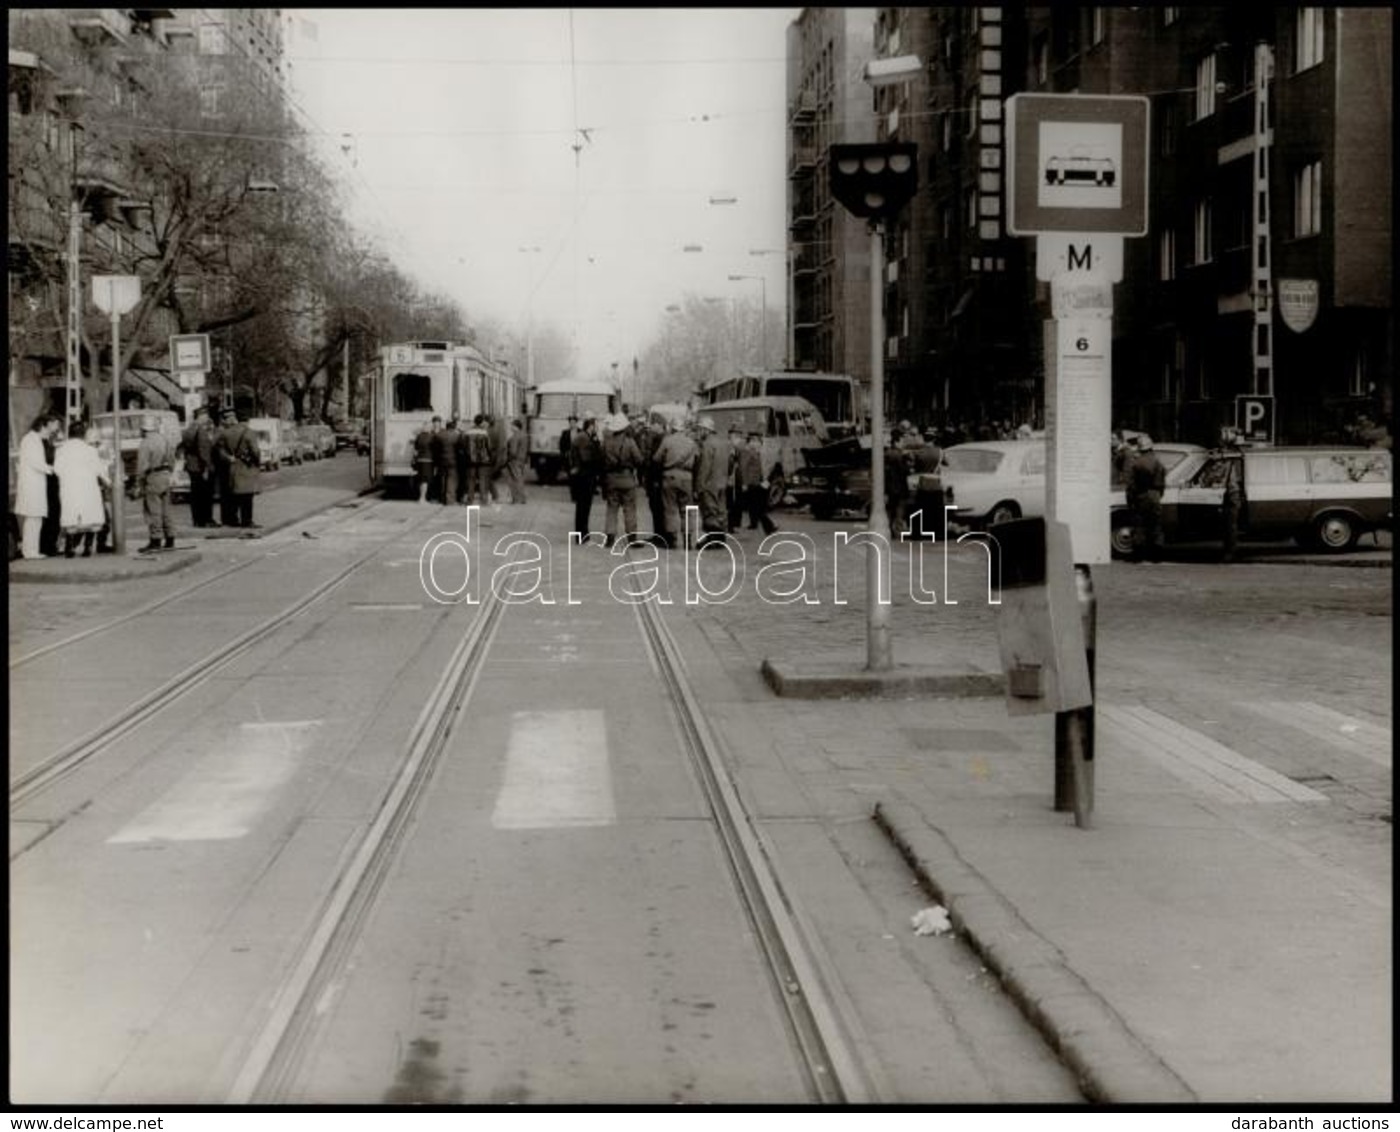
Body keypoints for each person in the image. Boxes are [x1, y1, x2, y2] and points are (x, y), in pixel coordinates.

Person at [54, 420, 110, 558]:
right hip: (88, 487)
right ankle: (87, 548)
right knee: (91, 517)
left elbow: (57, 469)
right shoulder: (90, 450)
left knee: (71, 516)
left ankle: (69, 548)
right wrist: (110, 482)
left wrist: (67, 477)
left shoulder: (61, 450)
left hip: (69, 487)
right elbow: (99, 470)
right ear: (83, 434)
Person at [16, 413, 59, 559]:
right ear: (43, 425)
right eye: (49, 428)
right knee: (33, 519)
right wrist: (52, 469)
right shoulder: (30, 440)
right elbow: (36, 462)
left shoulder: (34, 439)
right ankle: (30, 551)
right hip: (32, 485)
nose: (50, 432)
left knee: (35, 519)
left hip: (35, 484)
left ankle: (31, 551)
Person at [652, 416, 697, 549]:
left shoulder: (667, 441)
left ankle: (672, 540)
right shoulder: (692, 442)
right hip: (687, 477)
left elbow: (656, 458)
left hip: (669, 476)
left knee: (670, 509)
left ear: (673, 428)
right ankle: (688, 541)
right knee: (687, 510)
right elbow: (697, 460)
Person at [600, 414, 642, 547]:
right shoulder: (630, 442)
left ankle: (610, 537)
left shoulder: (606, 442)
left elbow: (602, 459)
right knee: (629, 509)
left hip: (611, 479)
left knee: (612, 508)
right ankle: (632, 538)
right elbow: (639, 460)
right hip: (627, 479)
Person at [135, 416, 177, 552]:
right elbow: (172, 460)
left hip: (153, 476)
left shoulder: (145, 443)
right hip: (165, 475)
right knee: (166, 509)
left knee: (153, 510)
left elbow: (142, 466)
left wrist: (139, 481)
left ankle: (155, 539)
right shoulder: (164, 439)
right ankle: (170, 538)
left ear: (144, 429)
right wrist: (169, 472)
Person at [215, 409, 261, 529]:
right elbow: (255, 451)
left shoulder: (226, 433)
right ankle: (247, 521)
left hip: (233, 465)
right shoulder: (249, 432)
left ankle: (233, 519)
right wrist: (257, 462)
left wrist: (229, 458)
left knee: (234, 494)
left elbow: (220, 450)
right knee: (247, 496)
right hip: (246, 466)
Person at [1126, 436, 1166, 562]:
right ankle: (1157, 556)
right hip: (1155, 495)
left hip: (1140, 495)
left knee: (1139, 526)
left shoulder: (1136, 463)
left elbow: (1131, 485)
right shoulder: (1158, 463)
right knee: (1156, 526)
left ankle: (1138, 556)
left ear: (1140, 448)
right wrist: (1158, 495)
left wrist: (1130, 500)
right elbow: (1162, 484)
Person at [693, 416, 731, 546]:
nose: (699, 432)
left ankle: (712, 540)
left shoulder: (707, 444)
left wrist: (699, 486)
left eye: (700, 429)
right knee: (721, 511)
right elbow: (730, 463)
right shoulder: (723, 443)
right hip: (722, 482)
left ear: (705, 430)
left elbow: (705, 467)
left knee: (710, 511)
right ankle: (721, 539)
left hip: (710, 483)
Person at [179, 405, 220, 528]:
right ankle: (207, 519)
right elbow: (204, 450)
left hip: (192, 466)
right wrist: (208, 466)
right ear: (201, 416)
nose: (207, 418)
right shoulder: (200, 429)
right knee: (206, 495)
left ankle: (197, 520)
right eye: (206, 415)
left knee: (195, 495)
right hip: (201, 466)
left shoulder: (189, 429)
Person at [568, 413, 602, 539]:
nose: (596, 428)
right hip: (584, 476)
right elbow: (586, 458)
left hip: (584, 475)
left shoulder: (584, 436)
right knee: (583, 506)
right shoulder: (584, 438)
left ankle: (583, 532)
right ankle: (581, 533)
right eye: (595, 426)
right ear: (591, 426)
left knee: (583, 506)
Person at [737, 430, 778, 535]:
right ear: (749, 442)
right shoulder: (747, 452)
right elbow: (743, 468)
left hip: (757, 483)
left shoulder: (756, 452)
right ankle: (769, 526)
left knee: (757, 506)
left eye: (758, 441)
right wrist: (745, 483)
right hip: (751, 483)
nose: (756, 443)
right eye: (754, 441)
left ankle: (766, 526)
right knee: (757, 507)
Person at [907, 428, 944, 540]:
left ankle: (917, 534)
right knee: (937, 511)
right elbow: (947, 463)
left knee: (919, 510)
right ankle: (938, 534)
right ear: (934, 439)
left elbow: (915, 467)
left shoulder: (920, 452)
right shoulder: (940, 452)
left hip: (923, 483)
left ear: (924, 439)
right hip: (936, 484)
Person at [459, 414, 493, 506]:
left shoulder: (468, 432)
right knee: (483, 480)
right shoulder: (484, 432)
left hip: (470, 460)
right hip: (483, 460)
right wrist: (489, 457)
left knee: (471, 480)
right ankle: (484, 501)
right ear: (482, 422)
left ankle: (470, 500)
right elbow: (489, 447)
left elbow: (463, 446)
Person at [884, 426, 912, 536]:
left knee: (891, 508)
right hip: (899, 485)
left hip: (890, 485)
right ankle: (897, 529)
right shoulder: (899, 455)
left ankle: (890, 527)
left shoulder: (887, 453)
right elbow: (905, 470)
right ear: (898, 440)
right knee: (899, 508)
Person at [433, 416, 459, 506]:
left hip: (442, 460)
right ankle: (450, 500)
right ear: (453, 427)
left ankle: (442, 498)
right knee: (451, 480)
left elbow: (436, 448)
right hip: (453, 460)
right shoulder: (456, 436)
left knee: (443, 479)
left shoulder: (440, 435)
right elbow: (459, 448)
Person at [414, 416, 439, 503]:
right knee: (426, 480)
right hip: (428, 460)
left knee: (421, 480)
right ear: (429, 428)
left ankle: (422, 497)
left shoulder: (419, 436)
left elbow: (416, 448)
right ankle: (422, 498)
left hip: (420, 460)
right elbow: (435, 449)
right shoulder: (431, 437)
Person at [504, 418, 529, 503]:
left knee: (514, 480)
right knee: (519, 479)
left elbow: (513, 451)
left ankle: (517, 498)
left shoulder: (515, 436)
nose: (511, 427)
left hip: (514, 461)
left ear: (516, 427)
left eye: (512, 425)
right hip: (522, 459)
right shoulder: (524, 435)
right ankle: (522, 498)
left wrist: (508, 459)